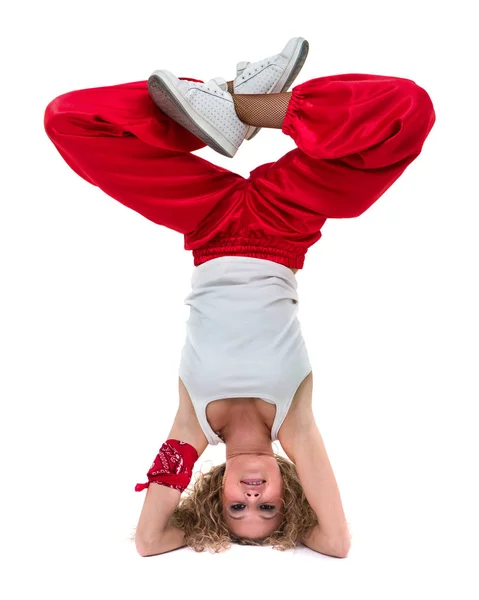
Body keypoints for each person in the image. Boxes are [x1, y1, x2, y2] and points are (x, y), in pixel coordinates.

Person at [43, 37, 436, 557]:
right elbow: (336, 543)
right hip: (284, 224)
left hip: (207, 223)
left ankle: (222, 103)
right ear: (288, 490)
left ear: (214, 493)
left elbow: (149, 541)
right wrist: (298, 529)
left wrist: (196, 518)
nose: (253, 498)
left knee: (68, 119)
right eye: (269, 507)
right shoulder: (295, 427)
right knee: (405, 112)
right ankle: (250, 105)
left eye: (237, 508)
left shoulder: (192, 428)